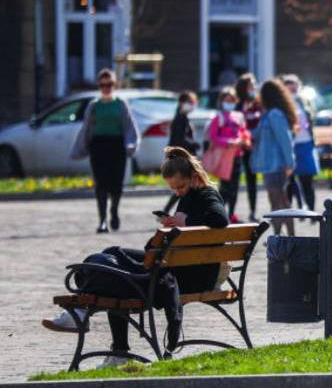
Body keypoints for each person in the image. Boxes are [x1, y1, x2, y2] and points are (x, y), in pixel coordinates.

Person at [42, 147, 229, 366]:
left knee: (112, 274)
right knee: (110, 254)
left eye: (180, 186)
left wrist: (183, 222)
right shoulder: (192, 195)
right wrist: (175, 223)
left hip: (184, 277)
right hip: (179, 268)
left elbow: (220, 219)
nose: (177, 191)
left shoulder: (205, 194)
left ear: (194, 177)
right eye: (173, 188)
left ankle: (87, 319)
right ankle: (85, 316)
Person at [69, 69, 140, 233]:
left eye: (109, 84)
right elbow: (86, 128)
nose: (106, 88)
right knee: (101, 184)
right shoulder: (94, 105)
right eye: (102, 85)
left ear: (115, 85)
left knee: (116, 184)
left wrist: (130, 144)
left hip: (117, 147)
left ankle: (114, 211)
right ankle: (102, 221)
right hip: (99, 147)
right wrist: (81, 147)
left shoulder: (121, 104)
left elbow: (129, 126)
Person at [251, 79, 297, 236]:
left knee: (280, 202)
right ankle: (282, 237)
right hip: (269, 165)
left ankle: (285, 237)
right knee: (277, 202)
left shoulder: (275, 115)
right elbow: (257, 134)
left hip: (277, 165)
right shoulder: (268, 114)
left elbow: (285, 140)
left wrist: (289, 163)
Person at [206, 87, 251, 220]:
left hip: (237, 155)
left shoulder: (239, 116)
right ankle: (219, 211)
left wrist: (244, 140)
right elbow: (213, 137)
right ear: (221, 101)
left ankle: (231, 213)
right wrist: (228, 142)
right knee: (224, 187)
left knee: (235, 187)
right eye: (227, 100)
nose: (230, 103)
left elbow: (244, 132)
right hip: (225, 157)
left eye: (232, 100)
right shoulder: (218, 117)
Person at [282, 74, 320, 211]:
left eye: (295, 84)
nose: (293, 87)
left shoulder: (304, 101)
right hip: (290, 146)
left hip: (306, 143)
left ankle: (311, 210)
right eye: (289, 85)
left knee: (307, 180)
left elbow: (312, 118)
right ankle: (290, 211)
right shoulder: (282, 104)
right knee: (290, 181)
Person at [235, 73, 263, 220]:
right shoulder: (238, 105)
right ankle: (229, 211)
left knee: (252, 180)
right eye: (251, 84)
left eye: (254, 84)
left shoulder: (258, 103)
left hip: (256, 146)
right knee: (234, 180)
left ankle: (253, 211)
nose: (254, 87)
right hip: (241, 147)